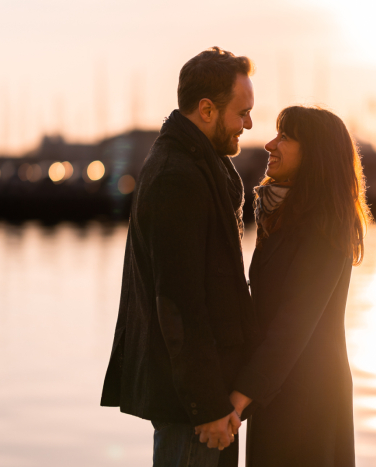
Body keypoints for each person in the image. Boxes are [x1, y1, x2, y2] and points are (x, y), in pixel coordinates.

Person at [100, 47, 258, 467]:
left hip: (205, 398)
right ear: (206, 109)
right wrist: (207, 406)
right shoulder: (177, 176)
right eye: (242, 113)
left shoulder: (198, 165)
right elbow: (180, 304)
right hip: (193, 409)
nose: (249, 123)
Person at [218, 106, 372, 466]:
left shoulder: (327, 228)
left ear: (315, 154)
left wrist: (238, 400)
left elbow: (293, 324)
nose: (270, 144)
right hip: (275, 388)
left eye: (285, 137)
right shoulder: (278, 214)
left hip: (309, 398)